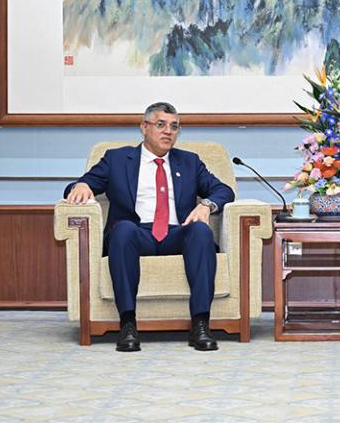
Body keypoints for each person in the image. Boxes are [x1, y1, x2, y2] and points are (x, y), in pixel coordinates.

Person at [64, 102, 235, 352]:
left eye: (174, 127)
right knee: (121, 230)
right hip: (136, 233)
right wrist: (80, 186)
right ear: (144, 127)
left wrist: (206, 206)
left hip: (177, 233)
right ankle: (128, 325)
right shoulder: (117, 158)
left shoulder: (189, 162)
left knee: (200, 231)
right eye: (161, 124)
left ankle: (200, 324)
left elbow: (223, 190)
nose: (168, 131)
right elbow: (83, 183)